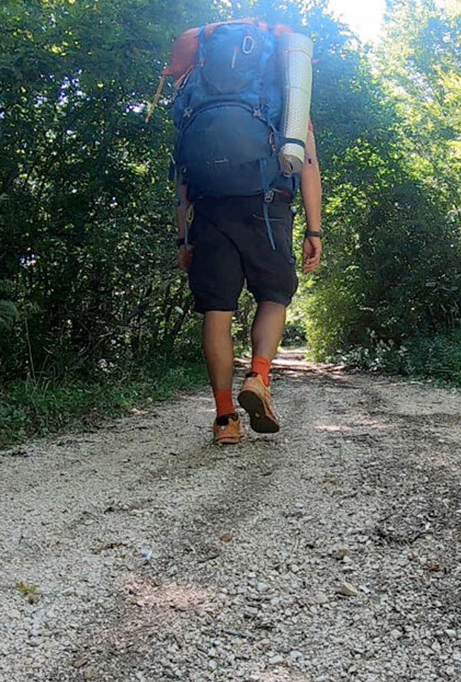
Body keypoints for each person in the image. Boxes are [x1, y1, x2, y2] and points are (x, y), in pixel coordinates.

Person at [170, 22, 323, 445]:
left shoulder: (196, 91)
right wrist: (314, 230)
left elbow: (181, 173)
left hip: (210, 207)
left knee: (217, 311)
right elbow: (307, 164)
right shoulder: (286, 94)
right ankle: (258, 376)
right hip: (266, 205)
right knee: (274, 296)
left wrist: (184, 238)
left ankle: (224, 419)